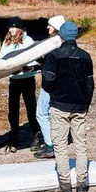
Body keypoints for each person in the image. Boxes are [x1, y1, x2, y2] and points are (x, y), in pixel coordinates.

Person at [43, 22, 94, 192]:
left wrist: (54, 93)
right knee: (81, 144)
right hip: (79, 106)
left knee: (60, 144)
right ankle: (82, 184)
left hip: (59, 105)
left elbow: (48, 80)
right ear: (76, 36)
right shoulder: (86, 56)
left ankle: (65, 186)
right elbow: (89, 84)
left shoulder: (54, 55)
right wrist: (85, 104)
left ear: (61, 36)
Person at [0, 17, 41, 152]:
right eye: (9, 27)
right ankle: (14, 134)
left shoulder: (28, 41)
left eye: (13, 27)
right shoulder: (7, 42)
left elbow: (34, 59)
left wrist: (26, 67)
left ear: (20, 28)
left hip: (27, 79)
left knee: (31, 107)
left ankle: (36, 135)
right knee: (13, 109)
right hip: (14, 79)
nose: (10, 30)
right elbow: (1, 59)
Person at [34, 15, 66, 159]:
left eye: (50, 25)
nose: (47, 27)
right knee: (55, 114)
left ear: (56, 28)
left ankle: (50, 145)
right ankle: (56, 143)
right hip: (60, 85)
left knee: (41, 113)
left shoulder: (53, 44)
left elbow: (52, 65)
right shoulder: (64, 43)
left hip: (50, 85)